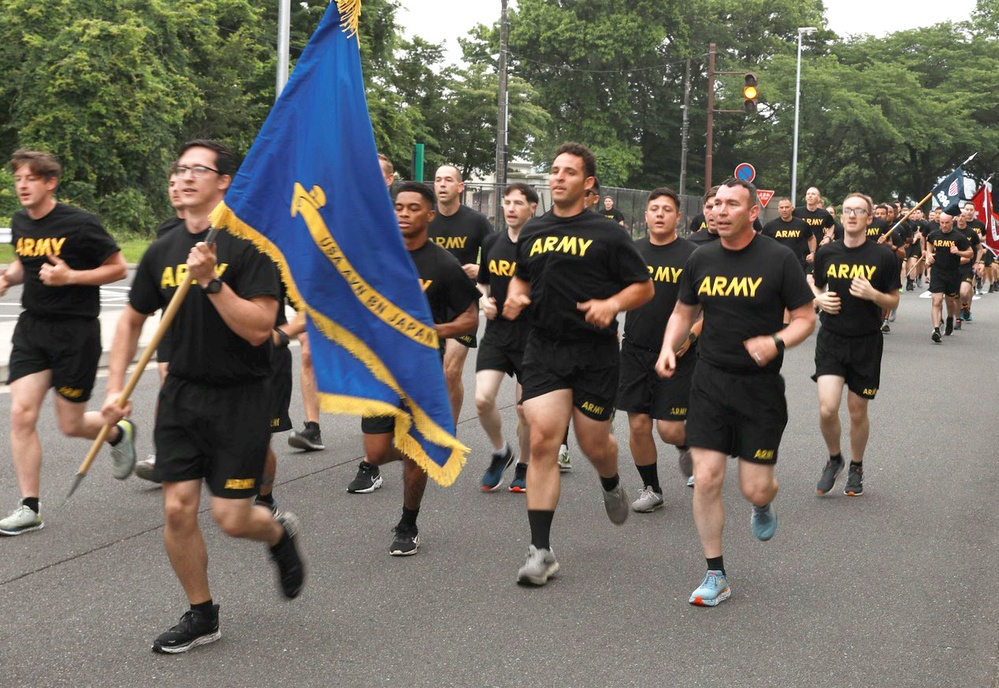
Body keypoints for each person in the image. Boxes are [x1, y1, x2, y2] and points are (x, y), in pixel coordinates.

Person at [101, 140, 304, 653]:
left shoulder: (249, 246)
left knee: (233, 518)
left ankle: (277, 535)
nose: (183, 178)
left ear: (223, 182)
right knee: (177, 509)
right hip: (182, 395)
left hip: (241, 396)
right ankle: (202, 614)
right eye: (178, 169)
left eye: (197, 170)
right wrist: (114, 389)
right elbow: (130, 320)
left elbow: (260, 328)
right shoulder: (164, 249)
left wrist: (213, 282)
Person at [656, 178, 815, 607]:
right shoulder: (700, 258)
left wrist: (776, 341)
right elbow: (683, 310)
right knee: (706, 478)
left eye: (731, 204)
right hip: (708, 382)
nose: (720, 211)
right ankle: (716, 574)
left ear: (751, 213)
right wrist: (669, 348)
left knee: (755, 489)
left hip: (759, 390)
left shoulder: (779, 259)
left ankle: (763, 504)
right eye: (716, 204)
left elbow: (804, 317)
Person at [503, 142, 653, 586]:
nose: (557, 178)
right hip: (545, 349)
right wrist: (515, 292)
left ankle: (610, 481)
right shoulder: (533, 230)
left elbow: (642, 289)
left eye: (568, 172)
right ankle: (541, 550)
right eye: (553, 171)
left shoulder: (608, 233)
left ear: (587, 183)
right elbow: (522, 273)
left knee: (595, 444)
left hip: (595, 354)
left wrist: (611, 304)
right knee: (544, 439)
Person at [0, 150, 131, 536]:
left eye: (30, 178)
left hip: (76, 332)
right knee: (21, 413)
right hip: (33, 329)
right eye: (18, 179)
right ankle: (29, 507)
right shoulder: (20, 222)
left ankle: (118, 433)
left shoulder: (80, 224)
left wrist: (71, 277)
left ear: (50, 183)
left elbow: (119, 268)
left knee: (71, 425)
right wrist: (7, 278)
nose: (21, 185)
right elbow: (25, 263)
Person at [346, 182, 479, 556]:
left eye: (412, 208)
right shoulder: (377, 258)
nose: (403, 214)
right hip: (379, 372)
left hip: (421, 374)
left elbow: (470, 318)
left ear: (429, 215)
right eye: (398, 208)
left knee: (416, 455)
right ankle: (423, 451)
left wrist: (435, 330)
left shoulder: (443, 265)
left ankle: (408, 523)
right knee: (375, 452)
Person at [810, 193, 900, 498]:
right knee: (826, 409)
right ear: (841, 216)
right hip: (832, 338)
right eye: (847, 210)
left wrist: (874, 294)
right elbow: (815, 285)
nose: (851, 215)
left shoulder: (883, 257)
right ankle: (835, 458)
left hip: (866, 341)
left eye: (858, 211)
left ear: (869, 217)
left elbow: (893, 300)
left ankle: (857, 466)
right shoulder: (827, 253)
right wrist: (817, 300)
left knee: (857, 411)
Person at [618, 188, 698, 513]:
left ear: (678, 217)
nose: (660, 214)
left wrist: (690, 337)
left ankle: (686, 444)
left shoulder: (694, 255)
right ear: (646, 216)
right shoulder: (631, 253)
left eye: (667, 209)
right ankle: (652, 489)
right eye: (655, 209)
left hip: (680, 354)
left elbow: (707, 307)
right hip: (636, 350)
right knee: (638, 424)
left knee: (669, 428)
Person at [476, 183, 537, 493]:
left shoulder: (540, 246)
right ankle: (501, 451)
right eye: (507, 202)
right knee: (483, 399)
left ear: (532, 208)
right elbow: (484, 283)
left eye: (518, 203)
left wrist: (527, 300)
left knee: (525, 409)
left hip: (531, 336)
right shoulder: (491, 242)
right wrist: (483, 301)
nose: (511, 208)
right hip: (497, 332)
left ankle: (524, 465)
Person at [428, 164, 493, 426]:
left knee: (450, 372)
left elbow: (497, 258)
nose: (442, 184)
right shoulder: (426, 218)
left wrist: (481, 269)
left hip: (462, 306)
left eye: (448, 180)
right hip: (429, 305)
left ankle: (448, 432)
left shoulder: (476, 221)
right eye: (437, 180)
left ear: (460, 187)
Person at [135, 172, 187, 483]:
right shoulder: (165, 231)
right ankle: (163, 453)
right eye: (169, 183)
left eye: (181, 181)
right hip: (171, 323)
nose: (176, 188)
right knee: (168, 386)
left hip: (209, 327)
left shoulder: (220, 229)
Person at [924, 211, 972, 343]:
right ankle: (936, 329)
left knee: (950, 302)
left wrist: (958, 252)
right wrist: (929, 255)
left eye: (946, 223)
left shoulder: (959, 237)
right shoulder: (934, 235)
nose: (944, 226)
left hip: (952, 273)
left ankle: (950, 318)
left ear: (952, 222)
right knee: (936, 301)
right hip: (937, 272)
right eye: (942, 223)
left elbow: (970, 254)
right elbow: (928, 244)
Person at [761, 197, 815, 274]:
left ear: (792, 208)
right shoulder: (770, 226)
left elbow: (811, 238)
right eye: (781, 207)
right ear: (778, 209)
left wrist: (812, 253)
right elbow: (763, 244)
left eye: (787, 207)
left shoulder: (802, 224)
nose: (784, 210)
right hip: (776, 264)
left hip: (798, 264)